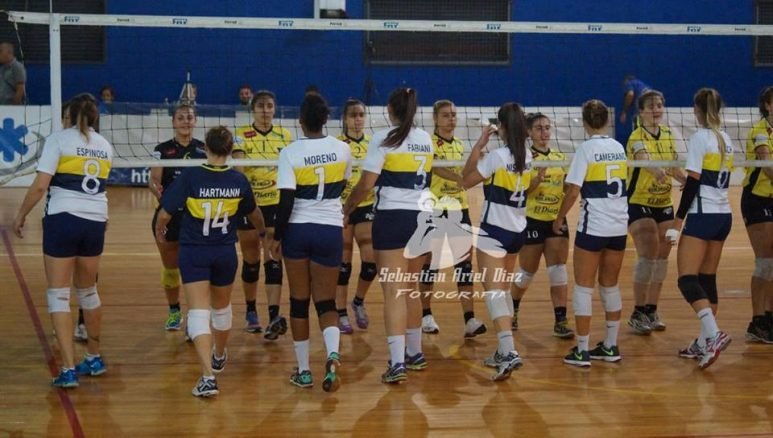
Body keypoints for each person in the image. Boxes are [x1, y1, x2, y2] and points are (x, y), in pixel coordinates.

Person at [155, 126, 266, 397]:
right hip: (224, 253)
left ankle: (207, 377)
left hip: (194, 251)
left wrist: (160, 230)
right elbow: (255, 215)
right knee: (221, 310)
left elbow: (165, 213)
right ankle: (219, 354)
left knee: (198, 313)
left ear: (205, 147)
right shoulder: (238, 181)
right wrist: (264, 235)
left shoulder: (191, 176)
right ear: (230, 151)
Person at [14, 93, 111, 387]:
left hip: (63, 218)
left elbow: (41, 186)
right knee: (88, 292)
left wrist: (20, 215)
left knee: (58, 294)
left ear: (67, 116)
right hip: (96, 221)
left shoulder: (58, 140)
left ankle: (68, 370)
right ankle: (93, 358)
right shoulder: (105, 145)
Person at [343, 87, 432, 384]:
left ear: (390, 111)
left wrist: (347, 207)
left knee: (394, 293)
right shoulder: (425, 139)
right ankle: (415, 353)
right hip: (421, 219)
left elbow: (366, 184)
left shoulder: (383, 138)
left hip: (393, 219)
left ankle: (396, 363)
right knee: (411, 289)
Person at [269, 93, 351, 391]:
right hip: (330, 230)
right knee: (327, 302)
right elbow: (341, 184)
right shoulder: (343, 149)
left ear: (301, 121)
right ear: (326, 119)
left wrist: (277, 237)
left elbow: (286, 201)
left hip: (298, 231)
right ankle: (331, 355)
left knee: (300, 302)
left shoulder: (290, 152)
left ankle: (304, 371)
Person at [554, 99, 627, 368]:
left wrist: (559, 217)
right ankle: (610, 345)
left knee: (584, 287)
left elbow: (572, 190)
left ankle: (582, 350)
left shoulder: (586, 149)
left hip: (594, 226)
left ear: (584, 122)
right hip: (619, 226)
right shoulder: (618, 148)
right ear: (607, 120)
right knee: (610, 285)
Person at [461, 102, 532, 381]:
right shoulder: (528, 156)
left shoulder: (498, 157)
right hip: (517, 231)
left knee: (493, 292)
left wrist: (478, 146)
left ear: (500, 127)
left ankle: (509, 350)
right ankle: (504, 351)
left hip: (495, 231)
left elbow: (464, 181)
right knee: (501, 291)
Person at [666, 88, 733, 369]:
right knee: (707, 279)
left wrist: (677, 222)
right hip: (723, 216)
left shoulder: (700, 138)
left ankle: (714, 334)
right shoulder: (726, 138)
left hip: (703, 215)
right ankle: (705, 341)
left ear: (697, 109)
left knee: (687, 279)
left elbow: (693, 182)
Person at [419, 99, 486, 338]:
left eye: (454, 115)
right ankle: (425, 315)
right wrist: (460, 180)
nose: (452, 119)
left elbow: (465, 173)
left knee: (464, 265)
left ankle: (470, 320)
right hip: (436, 209)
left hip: (460, 208)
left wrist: (479, 160)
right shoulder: (427, 143)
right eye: (446, 115)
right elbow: (436, 168)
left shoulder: (459, 144)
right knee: (430, 263)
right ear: (435, 119)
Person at [625, 90, 686, 335]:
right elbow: (645, 160)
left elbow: (672, 164)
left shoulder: (669, 134)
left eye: (660, 105)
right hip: (638, 200)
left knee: (663, 255)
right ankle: (637, 312)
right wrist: (658, 171)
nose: (656, 109)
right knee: (648, 252)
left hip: (663, 201)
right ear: (641, 112)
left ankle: (651, 309)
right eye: (651, 106)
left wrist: (683, 178)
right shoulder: (636, 136)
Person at [233, 90, 292, 338]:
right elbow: (238, 169)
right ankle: (250, 310)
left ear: (275, 109)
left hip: (276, 203)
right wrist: (249, 199)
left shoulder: (286, 136)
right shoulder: (241, 135)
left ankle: (273, 314)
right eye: (261, 106)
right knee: (251, 260)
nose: (265, 110)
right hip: (250, 204)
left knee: (273, 258)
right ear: (253, 109)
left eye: (269, 105)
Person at [510, 112, 574, 339]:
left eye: (547, 128)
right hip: (531, 220)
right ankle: (513, 307)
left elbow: (568, 188)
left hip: (556, 220)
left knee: (558, 271)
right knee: (527, 273)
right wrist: (535, 182)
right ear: (529, 132)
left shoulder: (559, 157)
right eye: (539, 128)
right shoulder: (524, 158)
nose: (544, 132)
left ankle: (561, 320)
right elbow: (516, 194)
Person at [149, 104, 206, 330]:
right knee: (171, 268)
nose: (185, 121)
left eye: (189, 117)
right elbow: (153, 179)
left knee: (194, 268)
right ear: (173, 122)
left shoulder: (204, 149)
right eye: (180, 118)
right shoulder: (162, 149)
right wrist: (157, 190)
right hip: (169, 216)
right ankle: (174, 311)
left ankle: (195, 315)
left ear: (195, 121)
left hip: (197, 216)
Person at [335, 99, 376, 334]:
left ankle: (358, 301)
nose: (358, 119)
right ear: (345, 118)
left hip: (366, 204)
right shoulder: (338, 144)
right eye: (353, 115)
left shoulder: (373, 143)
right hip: (341, 206)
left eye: (361, 114)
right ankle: (340, 312)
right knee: (344, 262)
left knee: (371, 261)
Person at [742, 86, 773, 343]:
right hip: (757, 200)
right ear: (767, 105)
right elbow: (766, 166)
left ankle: (770, 316)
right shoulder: (761, 131)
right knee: (765, 260)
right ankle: (757, 320)